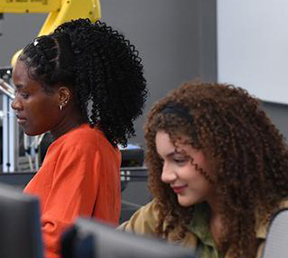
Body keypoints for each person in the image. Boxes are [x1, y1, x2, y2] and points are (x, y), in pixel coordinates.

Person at [12, 18, 147, 258]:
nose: (15, 103)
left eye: (25, 93)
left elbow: (55, 244)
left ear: (62, 95)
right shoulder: (78, 141)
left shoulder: (82, 145)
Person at [120, 82, 288, 258]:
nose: (165, 176)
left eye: (179, 160)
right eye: (162, 162)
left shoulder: (281, 226)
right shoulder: (168, 211)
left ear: (224, 153)